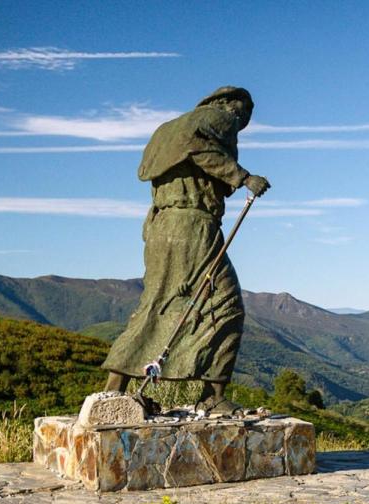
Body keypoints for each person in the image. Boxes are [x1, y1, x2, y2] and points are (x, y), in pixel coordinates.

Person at [102, 86, 270, 414]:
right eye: (244, 113)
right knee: (226, 304)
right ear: (231, 104)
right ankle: (213, 397)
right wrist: (243, 176)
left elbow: (163, 164)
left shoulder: (166, 129)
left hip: (160, 226)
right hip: (193, 226)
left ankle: (114, 389)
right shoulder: (218, 117)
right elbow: (198, 147)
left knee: (157, 304)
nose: (241, 121)